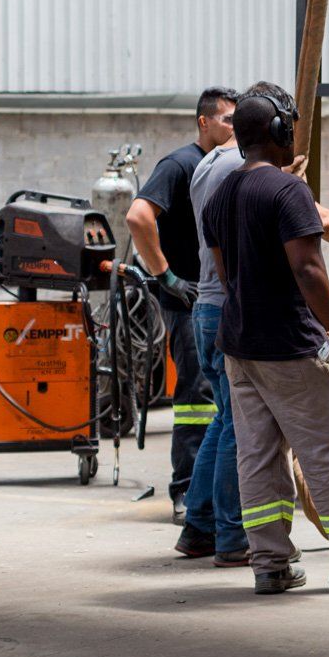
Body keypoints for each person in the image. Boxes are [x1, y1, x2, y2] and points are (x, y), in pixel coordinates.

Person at [176, 82, 329, 565]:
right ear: (277, 131)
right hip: (291, 344)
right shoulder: (288, 190)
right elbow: (308, 270)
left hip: (240, 346)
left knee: (257, 457)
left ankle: (271, 564)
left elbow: (228, 276)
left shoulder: (221, 195)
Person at [128, 85, 235, 520]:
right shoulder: (180, 165)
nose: (233, 126)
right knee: (196, 395)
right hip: (188, 299)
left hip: (210, 299)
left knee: (216, 397)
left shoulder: (221, 166)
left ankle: (206, 493)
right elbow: (138, 217)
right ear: (204, 122)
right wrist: (166, 276)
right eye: (227, 119)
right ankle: (186, 491)